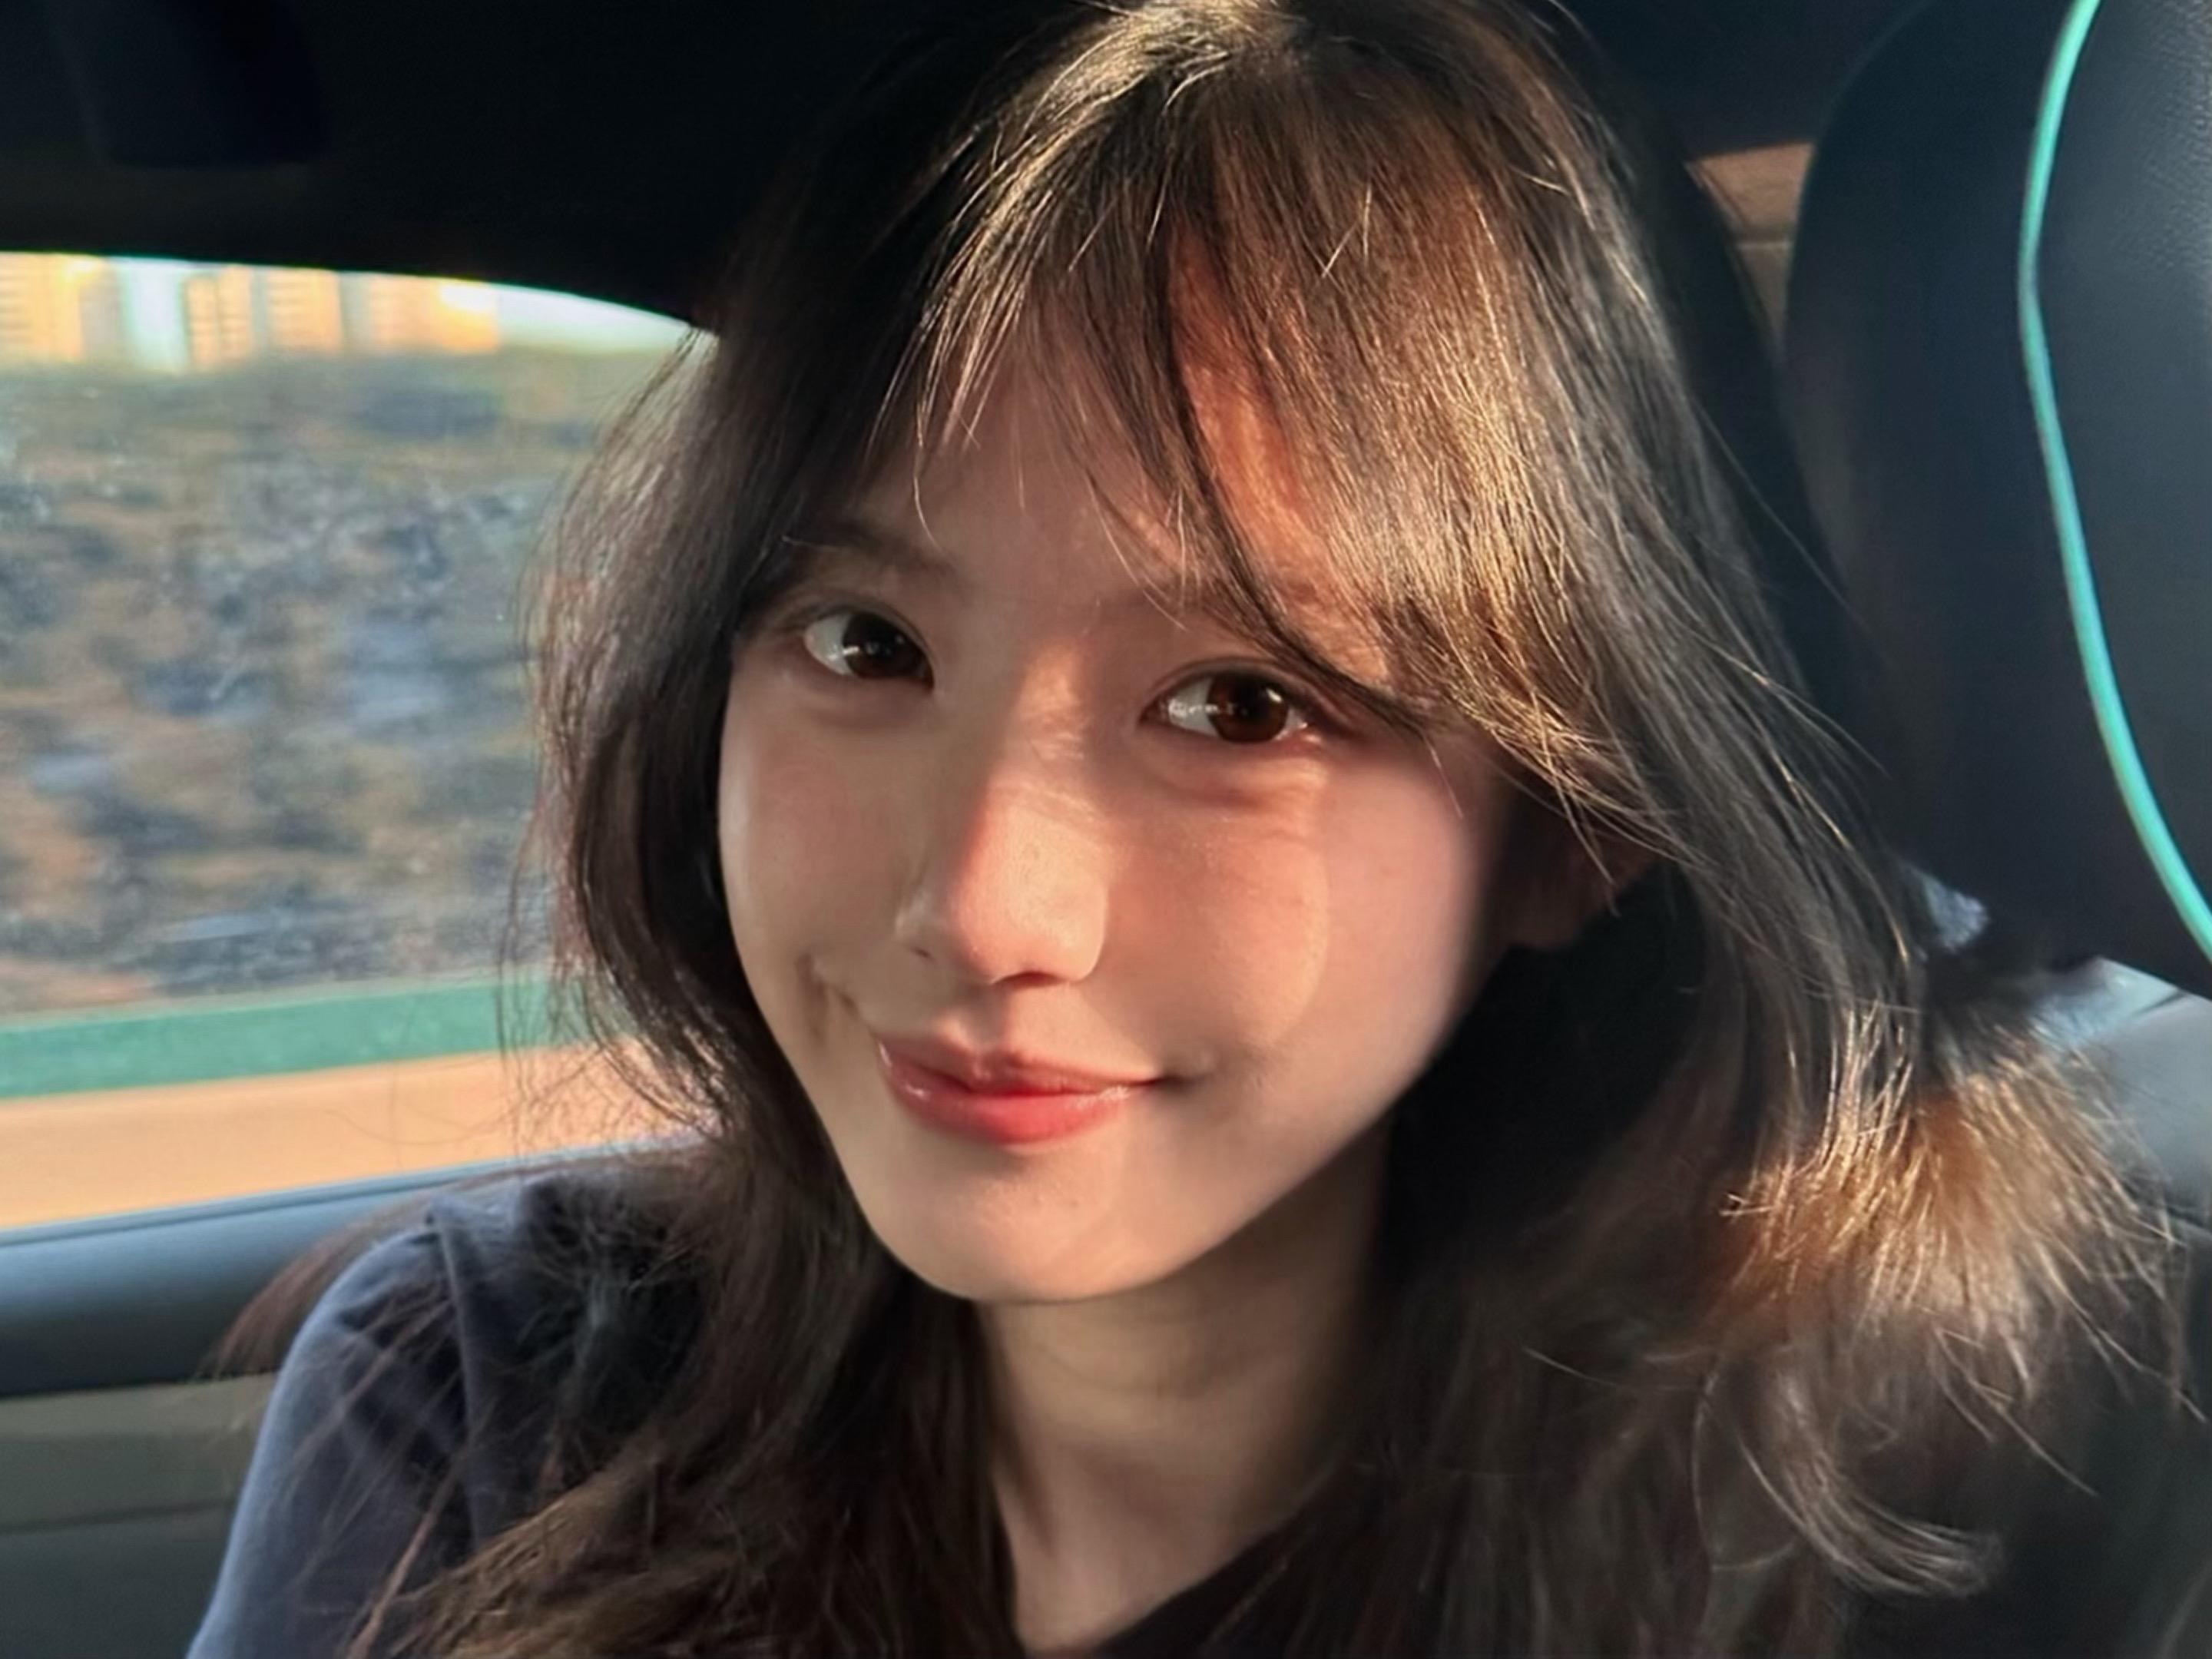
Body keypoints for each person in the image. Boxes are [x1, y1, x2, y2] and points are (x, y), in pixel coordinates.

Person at [187, 0, 2212, 1654]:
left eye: (1243, 706)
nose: (981, 905)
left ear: (1574, 822)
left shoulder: (1997, 1501)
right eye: (866, 642)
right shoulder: (490, 1406)